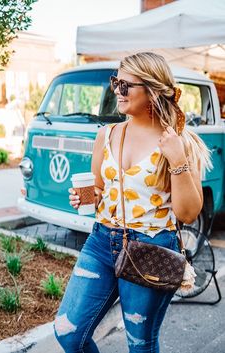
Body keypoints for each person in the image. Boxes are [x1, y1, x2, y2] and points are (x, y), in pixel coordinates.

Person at [54, 52, 211, 353]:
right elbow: (100, 188)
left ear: (152, 90)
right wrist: (87, 196)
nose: (117, 91)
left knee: (140, 344)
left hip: (151, 247)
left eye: (126, 86)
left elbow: (188, 213)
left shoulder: (179, 141)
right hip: (101, 241)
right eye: (116, 82)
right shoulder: (107, 134)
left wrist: (177, 158)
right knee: (68, 333)